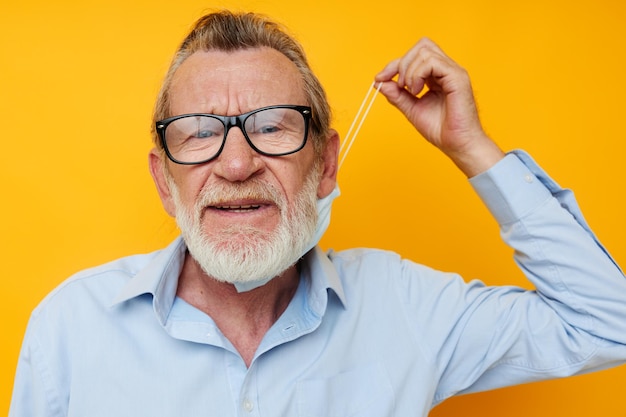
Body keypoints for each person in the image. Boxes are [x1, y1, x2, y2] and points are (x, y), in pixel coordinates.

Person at [9, 10, 626, 417]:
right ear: (164, 182)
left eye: (273, 127)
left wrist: (474, 150)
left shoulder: (405, 308)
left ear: (326, 164)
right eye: (200, 134)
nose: (236, 164)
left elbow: (609, 324)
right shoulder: (71, 330)